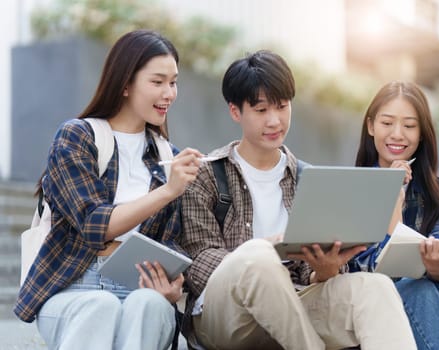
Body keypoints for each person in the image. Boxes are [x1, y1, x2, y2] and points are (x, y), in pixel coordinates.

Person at [177, 50, 417, 350]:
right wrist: (267, 252)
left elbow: (315, 273)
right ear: (235, 112)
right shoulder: (206, 174)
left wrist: (325, 269)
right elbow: (198, 264)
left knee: (374, 288)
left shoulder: (310, 179)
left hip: (296, 304)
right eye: (261, 110)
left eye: (282, 106)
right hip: (226, 319)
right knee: (258, 256)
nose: (275, 120)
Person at [14, 29, 204, 350]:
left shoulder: (168, 156)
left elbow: (172, 241)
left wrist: (173, 283)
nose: (169, 93)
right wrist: (167, 191)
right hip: (73, 289)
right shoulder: (77, 137)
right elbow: (94, 223)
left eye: (173, 82)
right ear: (125, 83)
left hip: (140, 287)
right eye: (157, 82)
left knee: (152, 305)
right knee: (100, 306)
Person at [349, 81, 439, 349]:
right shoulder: (353, 188)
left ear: (422, 133)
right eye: (387, 123)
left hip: (424, 304)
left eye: (410, 126)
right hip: (371, 308)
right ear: (371, 126)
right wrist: (393, 197)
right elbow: (367, 271)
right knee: (418, 291)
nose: (397, 134)